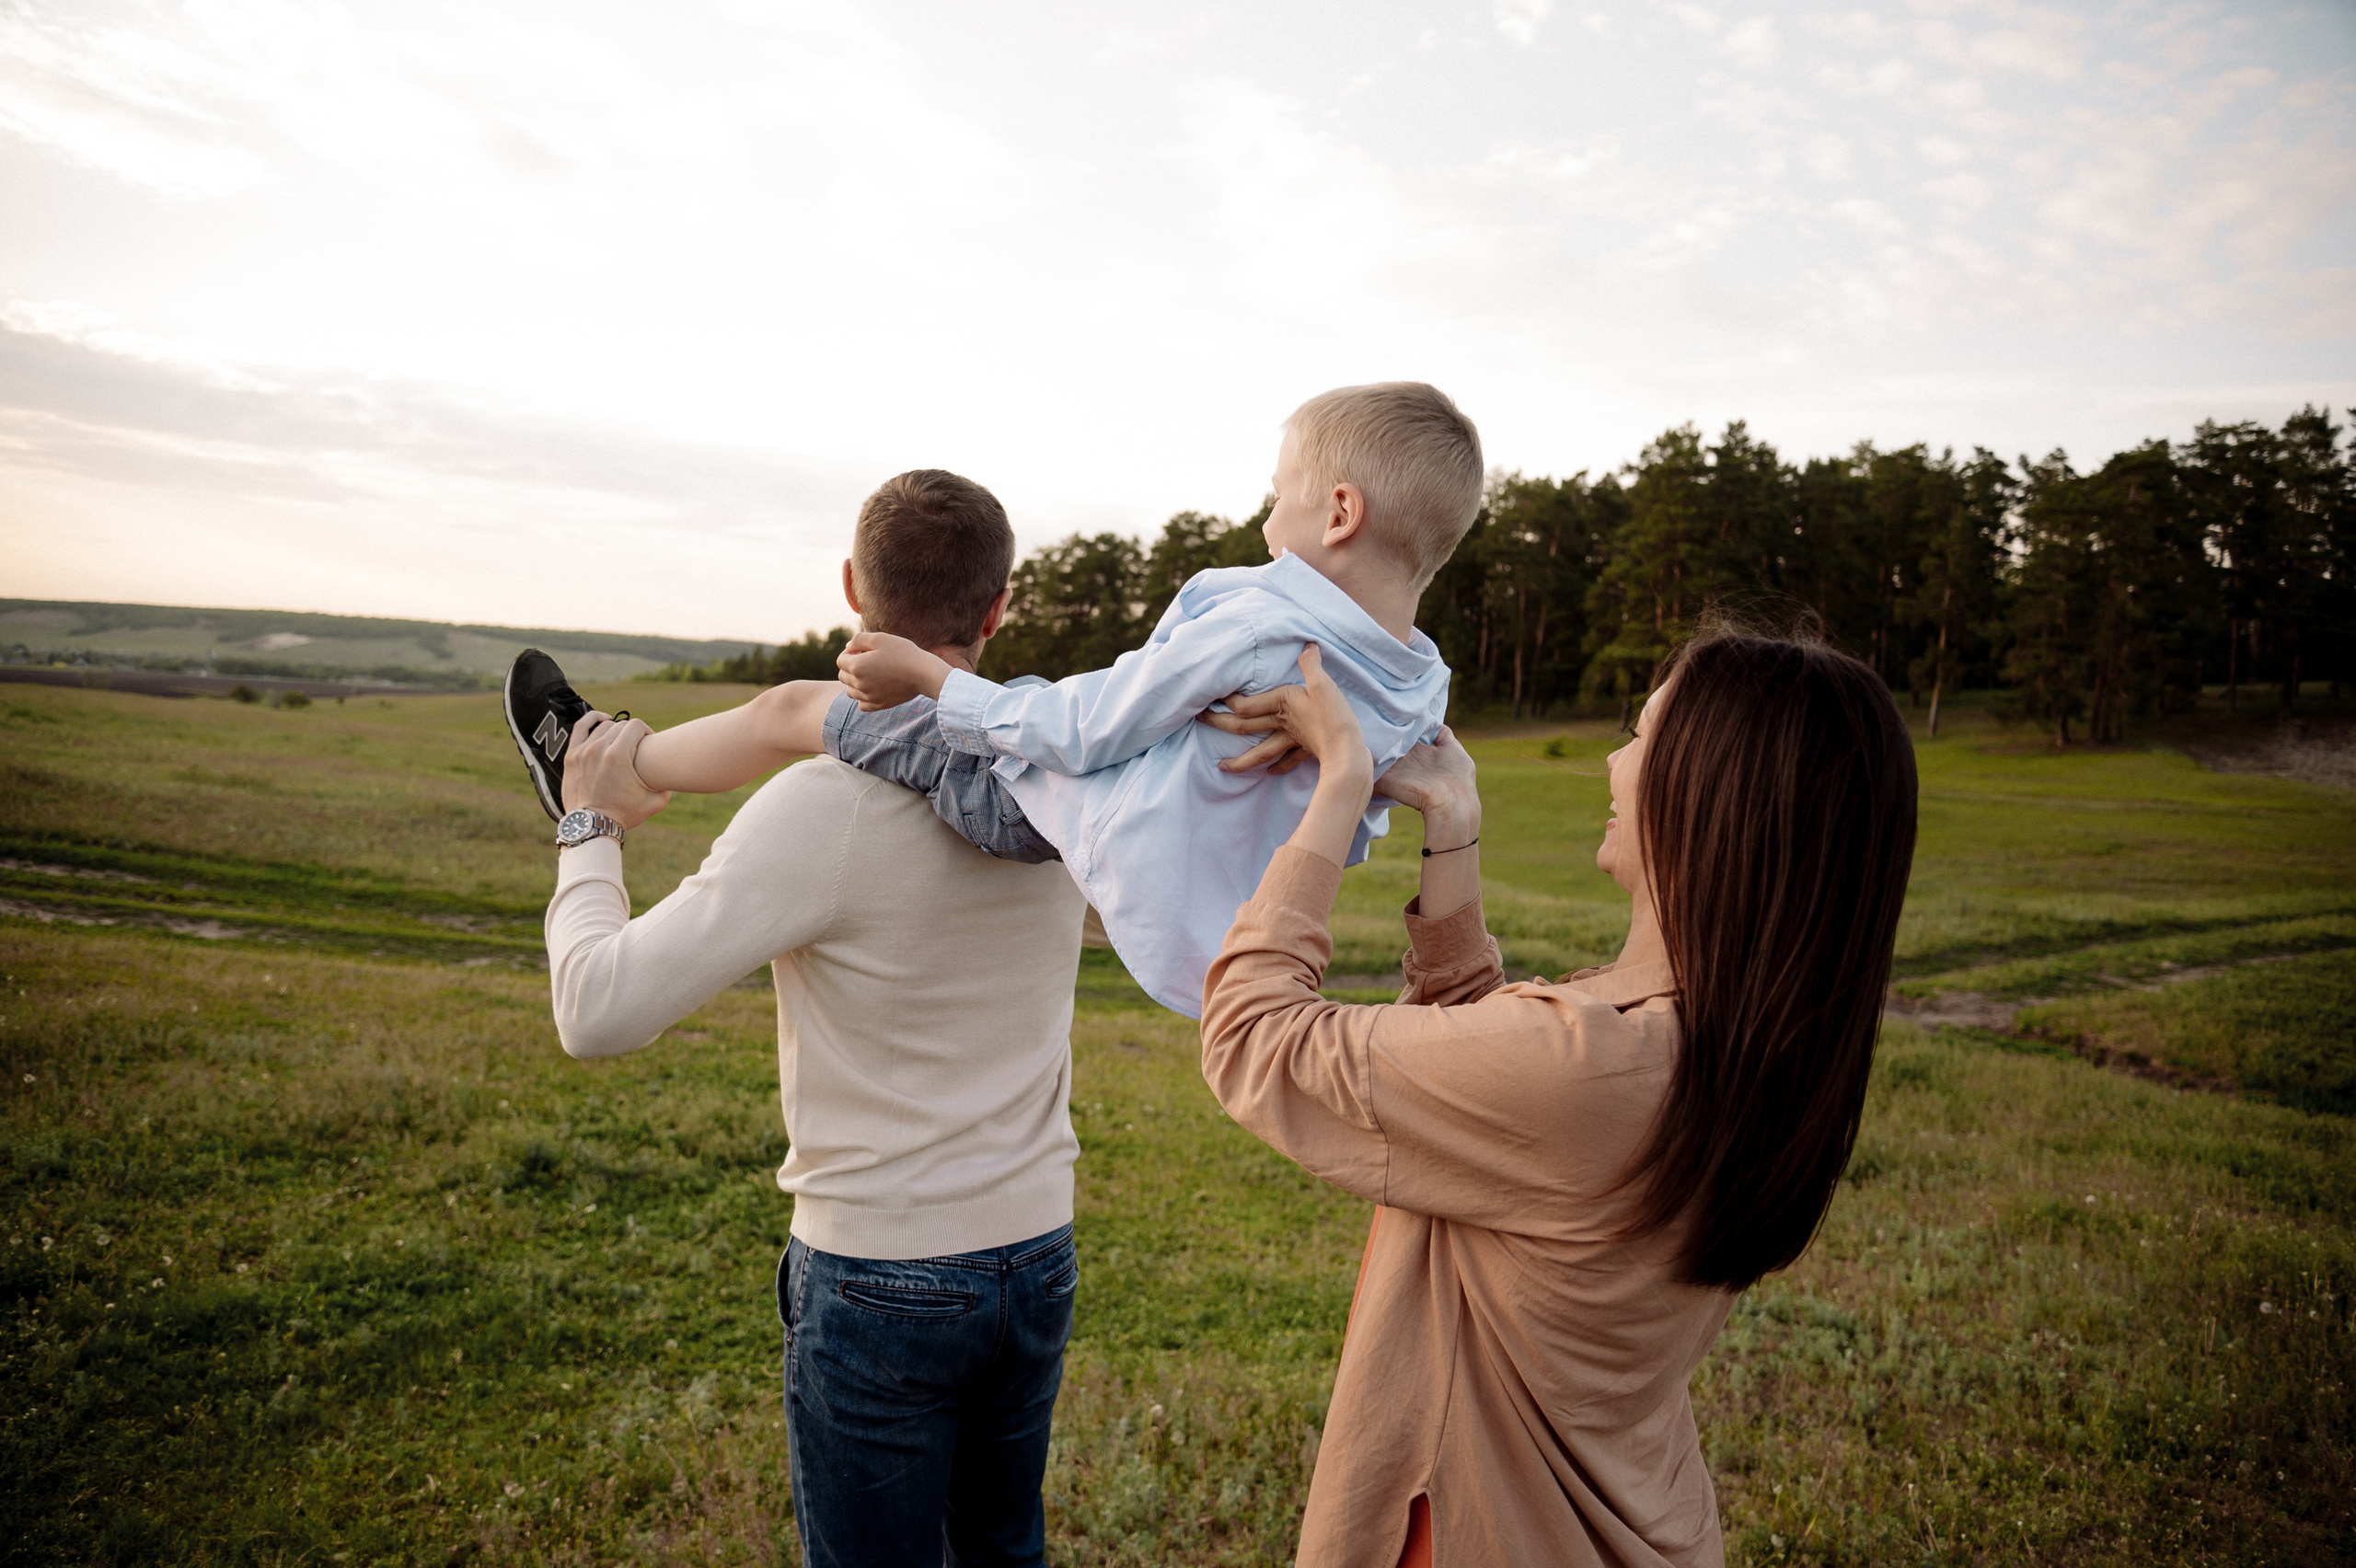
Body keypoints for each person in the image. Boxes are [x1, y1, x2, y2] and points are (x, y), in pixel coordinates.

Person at [1194, 628, 1919, 1567]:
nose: (1614, 759)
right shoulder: (1723, 1044)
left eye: (1643, 735)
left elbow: (1253, 1041)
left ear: (1711, 800)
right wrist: (1451, 819)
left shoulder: (1593, 1069)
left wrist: (1339, 786)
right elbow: (1491, 1098)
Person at [526, 470, 1089, 1568]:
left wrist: (588, 826)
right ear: (997, 608)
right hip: (1037, 1248)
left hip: (883, 1271)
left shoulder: (821, 808)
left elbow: (595, 1012)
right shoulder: (1062, 787)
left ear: (849, 590)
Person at [551, 382, 1484, 1017]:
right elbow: (1352, 827)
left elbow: (1077, 734)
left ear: (1338, 513)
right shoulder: (1415, 680)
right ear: (1000, 604)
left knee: (794, 708)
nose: (1262, 518)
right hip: (1196, 905)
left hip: (1029, 791)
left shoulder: (1258, 623)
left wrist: (927, 679)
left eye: (1277, 493)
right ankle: (621, 764)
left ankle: (611, 770)